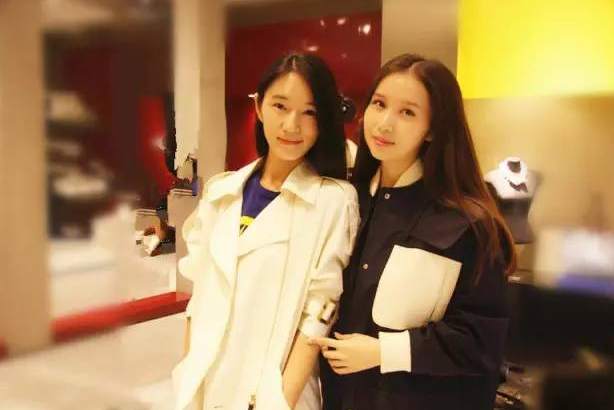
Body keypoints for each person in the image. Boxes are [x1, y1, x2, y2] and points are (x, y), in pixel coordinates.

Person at [314, 53, 517, 410]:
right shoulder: (345, 201)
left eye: (407, 112)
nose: (385, 124)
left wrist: (384, 351)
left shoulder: (465, 224)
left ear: (433, 128)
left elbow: (481, 341)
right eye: (379, 104)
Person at [171, 53, 359, 410]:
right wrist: (187, 382)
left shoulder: (333, 201)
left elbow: (317, 316)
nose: (292, 125)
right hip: (207, 387)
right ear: (259, 107)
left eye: (309, 112)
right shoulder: (221, 191)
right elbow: (200, 299)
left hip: (271, 394)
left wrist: (278, 402)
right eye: (280, 106)